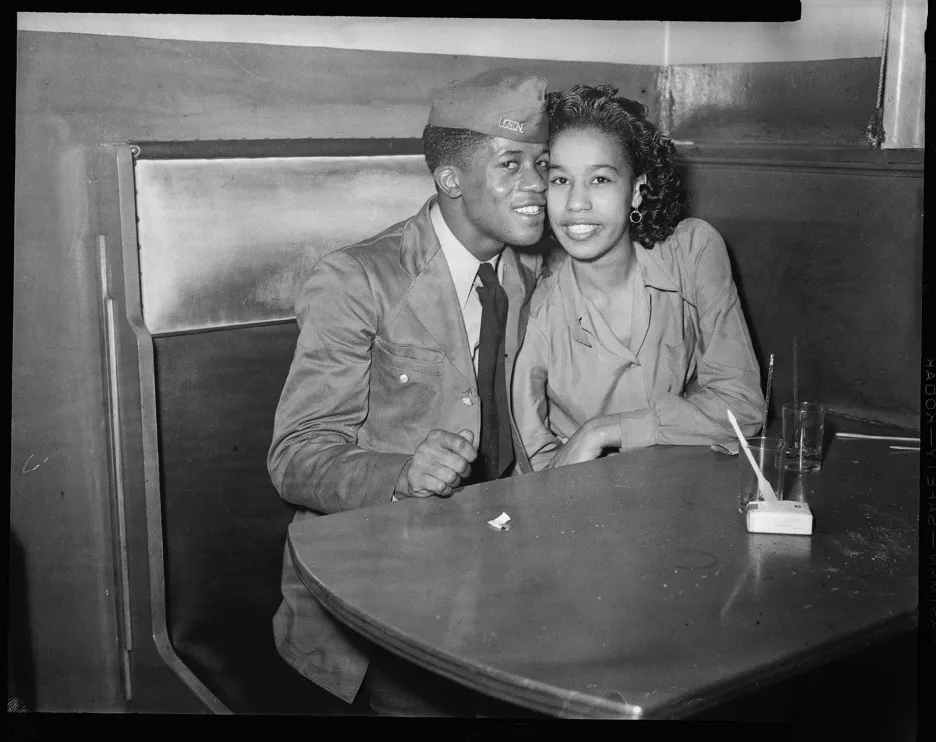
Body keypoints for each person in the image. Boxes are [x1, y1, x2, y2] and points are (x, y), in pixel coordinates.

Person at [267, 68, 550, 716]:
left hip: (496, 582)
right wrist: (402, 477)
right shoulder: (357, 279)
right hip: (373, 607)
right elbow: (295, 456)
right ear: (450, 179)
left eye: (541, 163)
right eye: (512, 164)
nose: (537, 185)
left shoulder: (536, 274)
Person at [513, 84, 764, 471]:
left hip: (684, 483)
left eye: (600, 180)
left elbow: (743, 406)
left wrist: (602, 430)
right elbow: (533, 462)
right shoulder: (536, 307)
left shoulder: (692, 251)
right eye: (560, 180)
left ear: (636, 191)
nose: (576, 204)